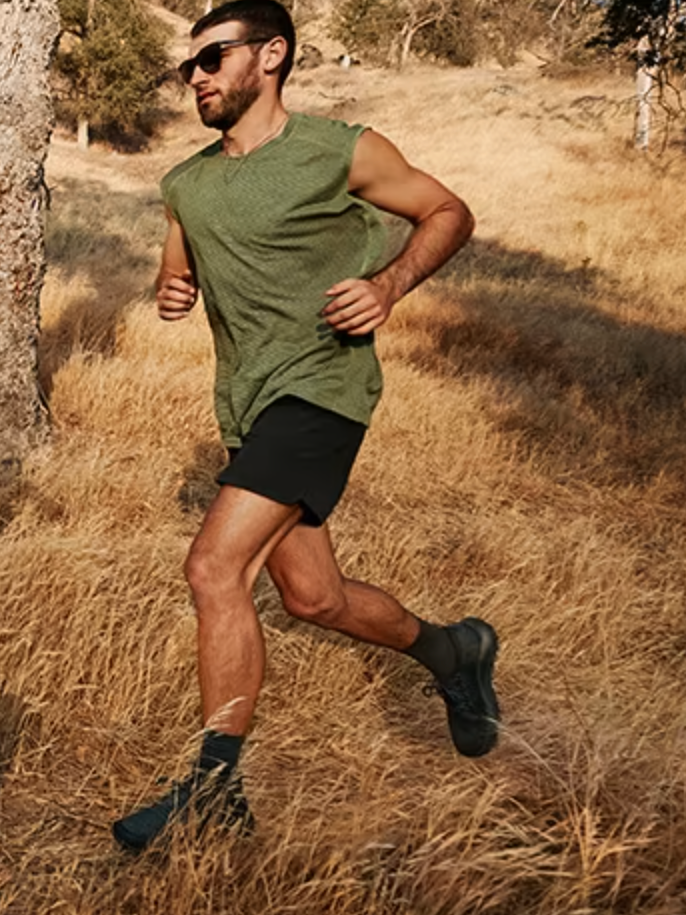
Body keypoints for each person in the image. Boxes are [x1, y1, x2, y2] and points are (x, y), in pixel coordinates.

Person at [112, 0, 499, 853]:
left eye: (212, 59)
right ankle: (454, 651)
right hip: (248, 403)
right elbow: (176, 276)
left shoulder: (339, 148)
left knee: (214, 565)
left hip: (324, 388)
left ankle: (213, 785)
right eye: (189, 67)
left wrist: (389, 287)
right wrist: (173, 294)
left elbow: (448, 212)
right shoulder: (187, 183)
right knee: (311, 596)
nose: (197, 78)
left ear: (272, 55)